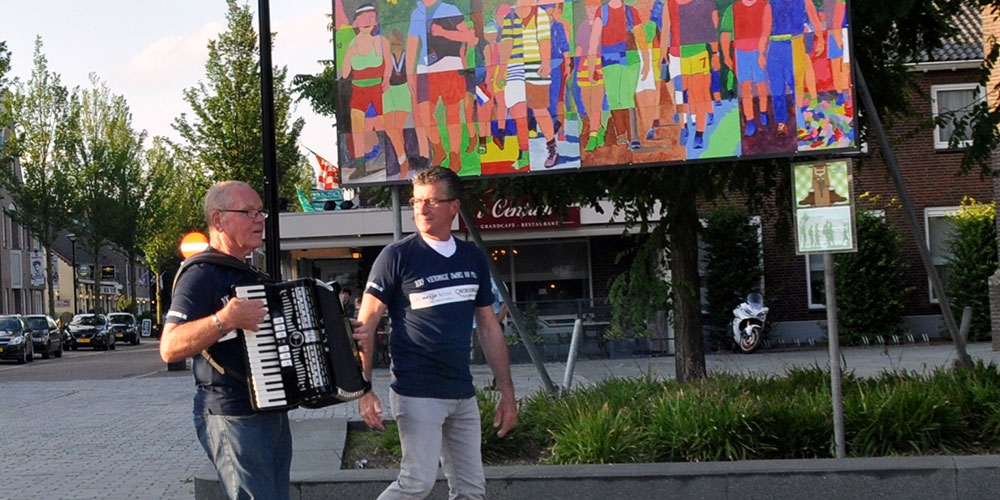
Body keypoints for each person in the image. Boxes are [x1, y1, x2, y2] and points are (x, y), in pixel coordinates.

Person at [353, 167, 517, 499]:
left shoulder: (472, 258)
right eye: (416, 201)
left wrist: (508, 393)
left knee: (472, 491)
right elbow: (364, 326)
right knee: (417, 482)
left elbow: (488, 327)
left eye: (432, 201)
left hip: (462, 393)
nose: (421, 209)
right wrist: (363, 390)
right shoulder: (396, 257)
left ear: (454, 207)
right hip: (417, 392)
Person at [159, 181, 290, 500]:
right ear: (218, 220)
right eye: (248, 212)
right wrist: (224, 319)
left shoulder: (250, 275)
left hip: (269, 408)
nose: (259, 220)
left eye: (261, 212)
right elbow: (169, 347)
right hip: (231, 413)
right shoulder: (200, 275)